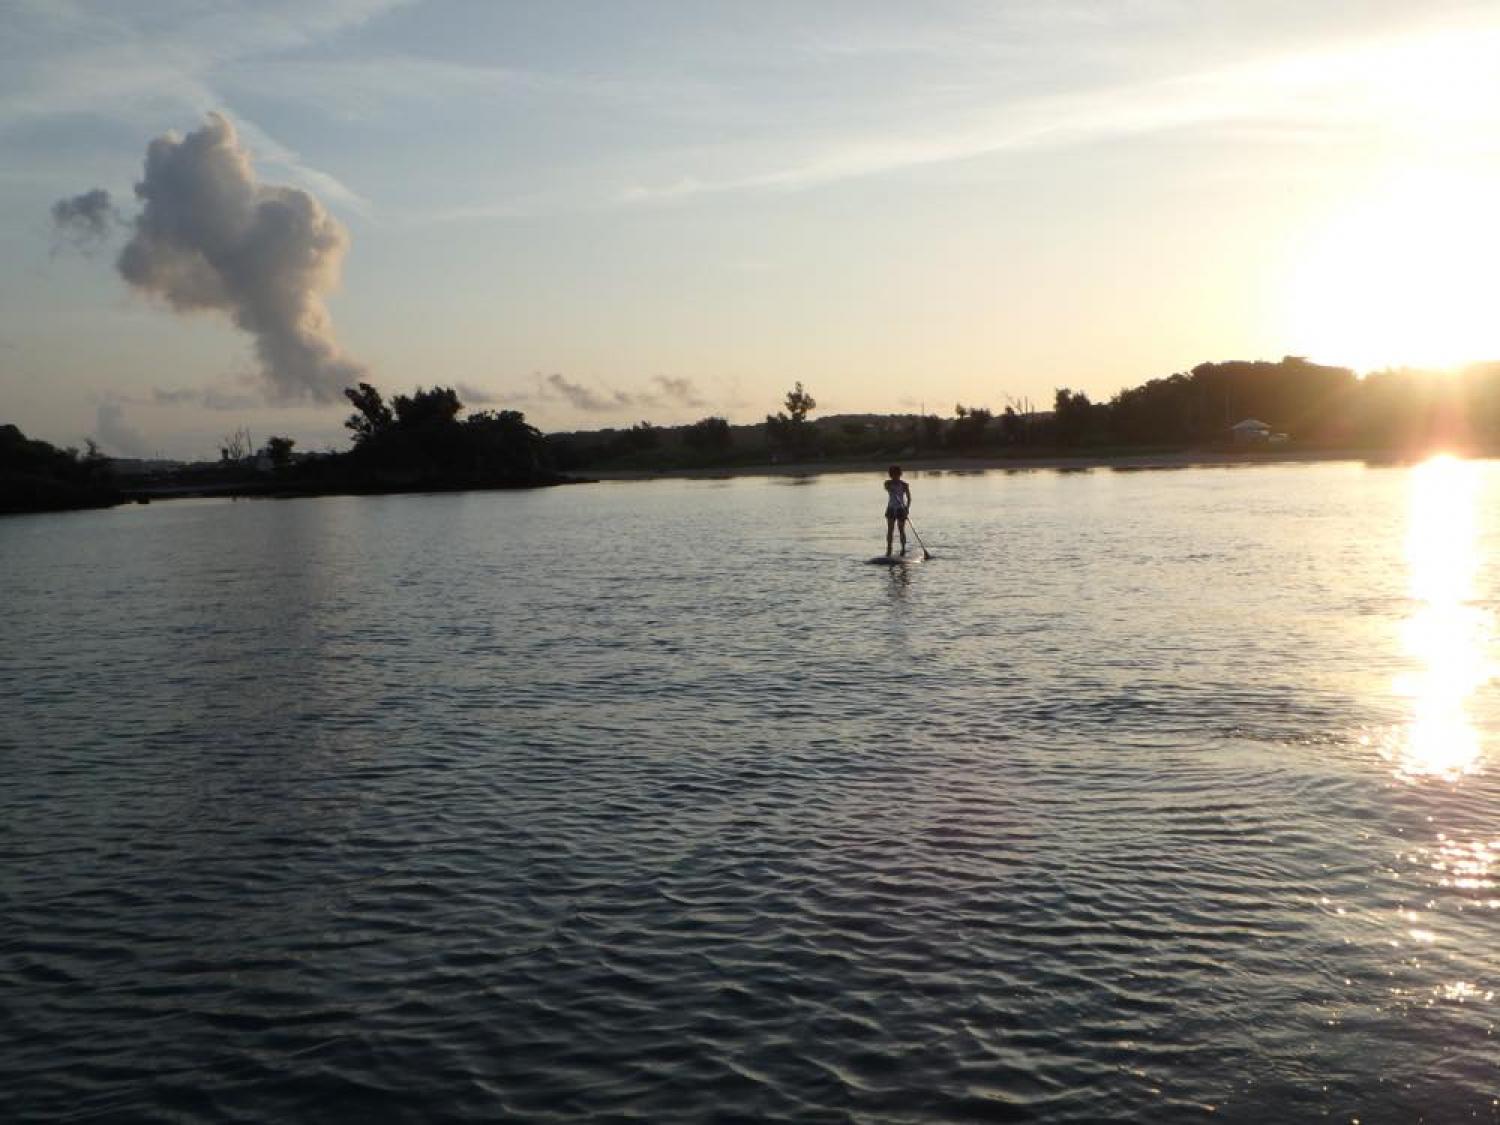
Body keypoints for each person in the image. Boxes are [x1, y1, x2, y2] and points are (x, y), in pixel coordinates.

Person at [883, 465, 911, 556]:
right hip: (891, 508)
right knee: (890, 529)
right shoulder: (888, 483)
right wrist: (890, 488)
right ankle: (889, 548)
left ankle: (903, 549)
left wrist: (907, 508)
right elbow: (886, 487)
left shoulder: (904, 485)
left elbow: (909, 498)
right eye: (893, 475)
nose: (895, 477)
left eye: (896, 474)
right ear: (891, 475)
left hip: (901, 509)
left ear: (900, 474)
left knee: (901, 529)